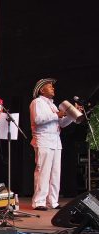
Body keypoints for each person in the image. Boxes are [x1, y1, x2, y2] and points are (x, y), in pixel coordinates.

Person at [29, 79, 81, 210]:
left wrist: (71, 114)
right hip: (44, 140)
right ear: (42, 90)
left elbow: (61, 123)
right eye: (50, 87)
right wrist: (57, 114)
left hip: (56, 142)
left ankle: (53, 201)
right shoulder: (37, 102)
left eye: (53, 87)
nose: (53, 88)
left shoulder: (52, 105)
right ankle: (39, 202)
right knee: (43, 172)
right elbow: (38, 119)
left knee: (55, 173)